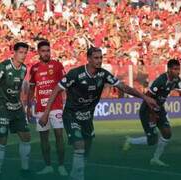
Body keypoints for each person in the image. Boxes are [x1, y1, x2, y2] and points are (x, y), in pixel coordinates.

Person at [39, 47, 158, 180]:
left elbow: (124, 87)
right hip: (71, 115)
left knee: (86, 149)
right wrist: (45, 113)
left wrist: (145, 97)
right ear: (88, 59)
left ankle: (75, 173)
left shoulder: (104, 75)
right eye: (96, 58)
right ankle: (78, 177)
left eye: (101, 58)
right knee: (79, 146)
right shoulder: (75, 74)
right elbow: (56, 90)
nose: (99, 60)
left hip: (87, 118)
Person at [122, 59, 181, 167]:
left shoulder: (177, 80)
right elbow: (148, 97)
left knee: (167, 134)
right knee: (152, 140)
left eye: (179, 69)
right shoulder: (160, 80)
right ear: (169, 70)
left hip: (159, 108)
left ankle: (155, 159)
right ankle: (131, 141)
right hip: (148, 110)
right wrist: (152, 114)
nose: (178, 71)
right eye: (175, 69)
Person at [0, 42, 32, 179]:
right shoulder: (3, 66)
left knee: (26, 137)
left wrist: (23, 106)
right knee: (2, 138)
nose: (23, 55)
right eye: (21, 52)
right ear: (14, 52)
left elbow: (18, 91)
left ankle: (25, 169)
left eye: (25, 53)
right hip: (2, 107)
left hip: (16, 107)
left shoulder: (24, 68)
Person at [27, 40, 68, 176]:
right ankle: (48, 165)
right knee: (43, 138)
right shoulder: (34, 68)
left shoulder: (57, 65)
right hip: (40, 108)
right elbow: (32, 88)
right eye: (43, 51)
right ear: (38, 52)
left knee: (59, 136)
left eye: (48, 50)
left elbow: (65, 84)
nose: (46, 53)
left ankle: (61, 165)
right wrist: (28, 107)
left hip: (56, 107)